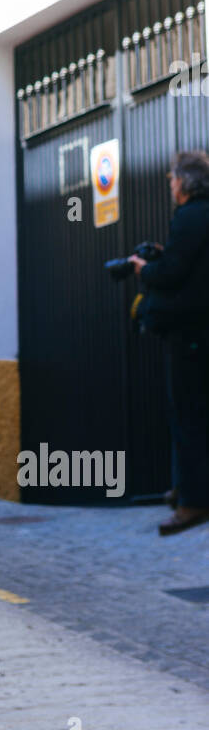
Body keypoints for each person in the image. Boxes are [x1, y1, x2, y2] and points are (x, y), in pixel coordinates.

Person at [130, 151, 209, 536]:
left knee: (188, 416)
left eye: (174, 177)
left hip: (190, 334)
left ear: (186, 182)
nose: (170, 182)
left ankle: (192, 500)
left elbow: (174, 273)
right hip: (200, 331)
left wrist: (147, 268)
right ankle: (189, 488)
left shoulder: (192, 215)